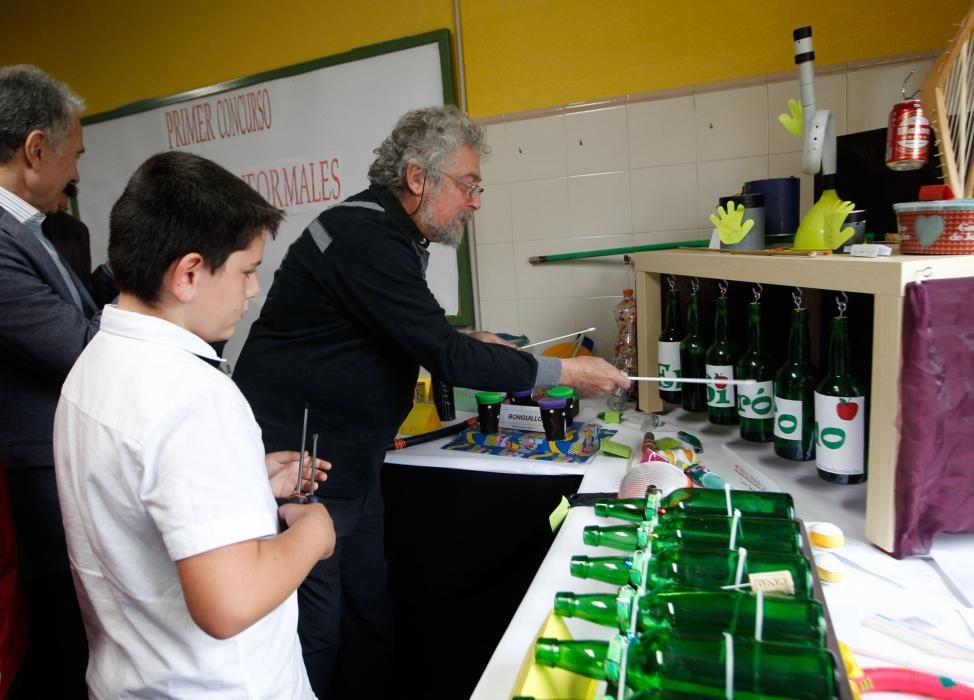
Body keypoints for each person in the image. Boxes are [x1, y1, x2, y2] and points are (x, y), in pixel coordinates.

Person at [232, 104, 630, 699]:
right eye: (468, 185)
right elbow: (446, 358)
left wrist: (462, 339)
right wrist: (565, 371)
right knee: (318, 628)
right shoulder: (365, 236)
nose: (475, 200)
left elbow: (403, 329)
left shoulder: (385, 230)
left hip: (352, 458)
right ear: (418, 178)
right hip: (305, 462)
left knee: (369, 611)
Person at [52, 150, 337, 698]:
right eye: (246, 271)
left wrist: (245, 483)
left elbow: (137, 497)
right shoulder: (193, 393)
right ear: (187, 274)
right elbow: (227, 604)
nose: (253, 291)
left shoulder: (94, 363)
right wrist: (314, 534)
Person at [0, 64, 97, 699]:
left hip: (52, 471)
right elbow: (76, 346)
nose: (77, 173)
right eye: (73, 154)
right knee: (58, 647)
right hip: (31, 486)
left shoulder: (31, 231)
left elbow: (78, 315)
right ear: (36, 149)